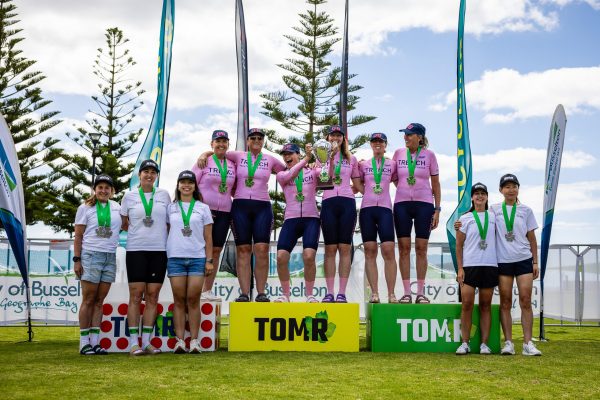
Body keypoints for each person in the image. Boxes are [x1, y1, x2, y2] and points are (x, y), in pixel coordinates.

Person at [198, 128, 286, 302]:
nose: (256, 140)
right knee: (243, 250)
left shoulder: (270, 160)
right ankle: (244, 293)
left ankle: (261, 293)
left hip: (262, 207)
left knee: (261, 250)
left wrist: (310, 165)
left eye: (259, 138)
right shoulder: (237, 156)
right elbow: (219, 151)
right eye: (252, 138)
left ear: (263, 142)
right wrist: (204, 154)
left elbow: (288, 170)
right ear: (247, 141)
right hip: (240, 206)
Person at [120, 159, 171, 355]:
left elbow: (168, 222)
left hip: (159, 251)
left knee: (152, 297)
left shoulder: (164, 195)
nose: (149, 175)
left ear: (156, 175)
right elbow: (125, 223)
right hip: (136, 250)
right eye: (145, 172)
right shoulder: (129, 197)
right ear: (139, 175)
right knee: (135, 296)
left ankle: (147, 341)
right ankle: (134, 343)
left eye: (153, 172)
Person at [493, 174, 542, 356]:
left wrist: (535, 261)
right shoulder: (494, 210)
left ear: (518, 189)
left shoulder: (526, 210)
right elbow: (478, 217)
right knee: (505, 302)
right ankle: (508, 343)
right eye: (507, 187)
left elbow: (532, 239)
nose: (511, 190)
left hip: (523, 260)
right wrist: (461, 222)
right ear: (501, 190)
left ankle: (528, 343)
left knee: (525, 300)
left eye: (514, 186)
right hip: (503, 261)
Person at [392, 123, 441, 304]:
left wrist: (437, 209)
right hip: (402, 205)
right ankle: (406, 293)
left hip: (424, 205)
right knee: (404, 249)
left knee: (421, 249)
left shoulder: (430, 155)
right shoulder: (398, 154)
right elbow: (393, 176)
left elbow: (436, 184)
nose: (406, 137)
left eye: (409, 135)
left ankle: (420, 293)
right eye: (405, 134)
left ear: (419, 137)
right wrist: (405, 189)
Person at [73, 175, 122, 355]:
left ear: (112, 190)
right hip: (90, 255)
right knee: (88, 299)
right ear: (95, 189)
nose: (103, 190)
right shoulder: (85, 207)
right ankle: (84, 342)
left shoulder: (117, 207)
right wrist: (77, 260)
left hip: (110, 255)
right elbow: (78, 236)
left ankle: (95, 342)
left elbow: (126, 224)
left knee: (100, 302)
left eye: (107, 188)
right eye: (100, 187)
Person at [166, 170, 213, 354]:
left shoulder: (203, 208)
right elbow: (167, 231)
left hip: (197, 258)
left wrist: (209, 261)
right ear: (178, 186)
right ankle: (179, 341)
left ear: (195, 186)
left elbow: (208, 238)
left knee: (193, 299)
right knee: (179, 300)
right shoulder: (171, 208)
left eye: (190, 183)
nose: (186, 185)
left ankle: (194, 341)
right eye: (183, 182)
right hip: (175, 257)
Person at [353, 133, 398, 303]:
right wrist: (370, 193)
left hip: (386, 210)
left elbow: (398, 183)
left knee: (388, 251)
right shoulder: (363, 164)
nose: (377, 144)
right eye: (374, 142)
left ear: (385, 145)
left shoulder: (392, 164)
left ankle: (392, 293)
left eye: (380, 142)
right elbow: (357, 185)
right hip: (367, 211)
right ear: (371, 145)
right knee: (370, 251)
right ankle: (374, 293)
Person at [191, 130, 236, 301]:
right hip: (203, 211)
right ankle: (194, 289)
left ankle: (206, 291)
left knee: (216, 251)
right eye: (217, 142)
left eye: (224, 141)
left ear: (228, 144)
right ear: (211, 144)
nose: (221, 144)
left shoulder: (232, 164)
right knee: (199, 249)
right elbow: (189, 184)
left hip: (224, 211)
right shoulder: (204, 161)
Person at [274, 143, 320, 303]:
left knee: (308, 257)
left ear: (297, 154)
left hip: (311, 218)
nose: (286, 157)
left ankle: (310, 295)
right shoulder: (281, 175)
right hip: (291, 219)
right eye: (284, 154)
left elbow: (326, 176)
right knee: (280, 257)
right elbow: (289, 176)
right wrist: (307, 158)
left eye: (290, 153)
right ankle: (285, 295)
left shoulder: (312, 171)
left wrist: (326, 158)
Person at [455, 183, 497, 355]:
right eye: (476, 194)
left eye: (483, 193)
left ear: (487, 197)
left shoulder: (494, 216)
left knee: (486, 305)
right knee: (466, 304)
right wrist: (460, 269)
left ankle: (484, 344)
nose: (480, 196)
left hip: (489, 265)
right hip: (469, 266)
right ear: (472, 198)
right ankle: (465, 343)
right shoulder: (464, 219)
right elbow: (459, 246)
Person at [319, 125, 359, 303]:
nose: (335, 138)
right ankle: (329, 292)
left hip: (347, 203)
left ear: (343, 139)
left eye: (339, 135)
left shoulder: (352, 159)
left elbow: (357, 184)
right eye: (332, 135)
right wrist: (331, 157)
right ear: (327, 138)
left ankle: (341, 292)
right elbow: (323, 180)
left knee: (344, 248)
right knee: (329, 249)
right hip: (328, 202)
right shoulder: (321, 158)